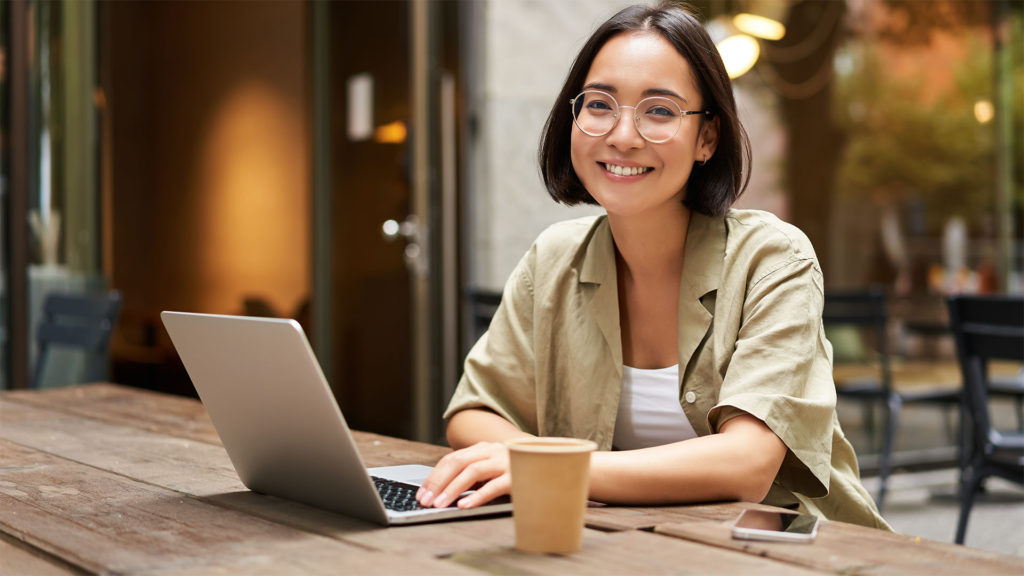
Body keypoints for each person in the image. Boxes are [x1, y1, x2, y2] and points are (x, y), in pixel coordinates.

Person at [416, 1, 889, 530]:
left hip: (796, 554)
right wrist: (539, 466)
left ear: (706, 138)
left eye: (660, 111)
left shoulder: (773, 257)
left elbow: (748, 464)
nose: (622, 135)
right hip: (622, 545)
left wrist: (552, 469)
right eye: (599, 104)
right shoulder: (554, 257)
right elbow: (474, 413)